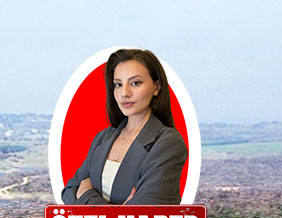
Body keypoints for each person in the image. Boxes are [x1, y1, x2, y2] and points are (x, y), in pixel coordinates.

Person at [61, 48, 188, 205]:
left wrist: (86, 195)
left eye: (135, 83)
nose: (124, 93)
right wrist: (120, 211)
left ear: (157, 87)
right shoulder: (104, 137)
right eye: (118, 84)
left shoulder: (168, 143)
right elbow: (69, 191)